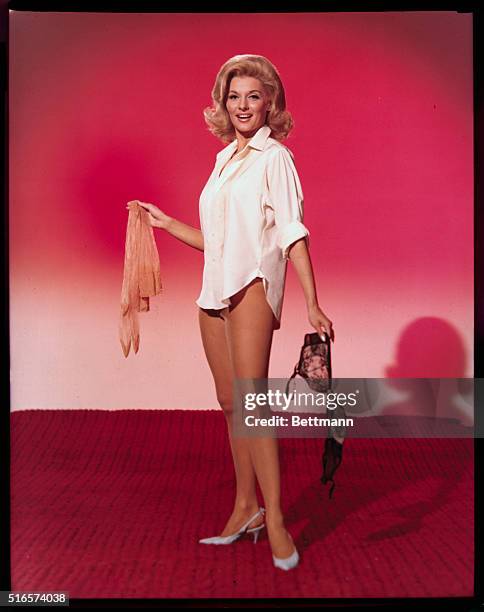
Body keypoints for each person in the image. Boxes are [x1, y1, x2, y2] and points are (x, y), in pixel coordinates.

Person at [132, 54, 334, 571]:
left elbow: (292, 233)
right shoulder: (224, 160)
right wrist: (167, 223)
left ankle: (278, 521)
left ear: (270, 103)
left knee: (251, 403)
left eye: (254, 96)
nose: (242, 105)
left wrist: (311, 301)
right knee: (229, 404)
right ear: (223, 103)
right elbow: (219, 241)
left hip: (250, 290)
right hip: (213, 292)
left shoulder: (275, 159)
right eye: (234, 96)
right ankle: (245, 508)